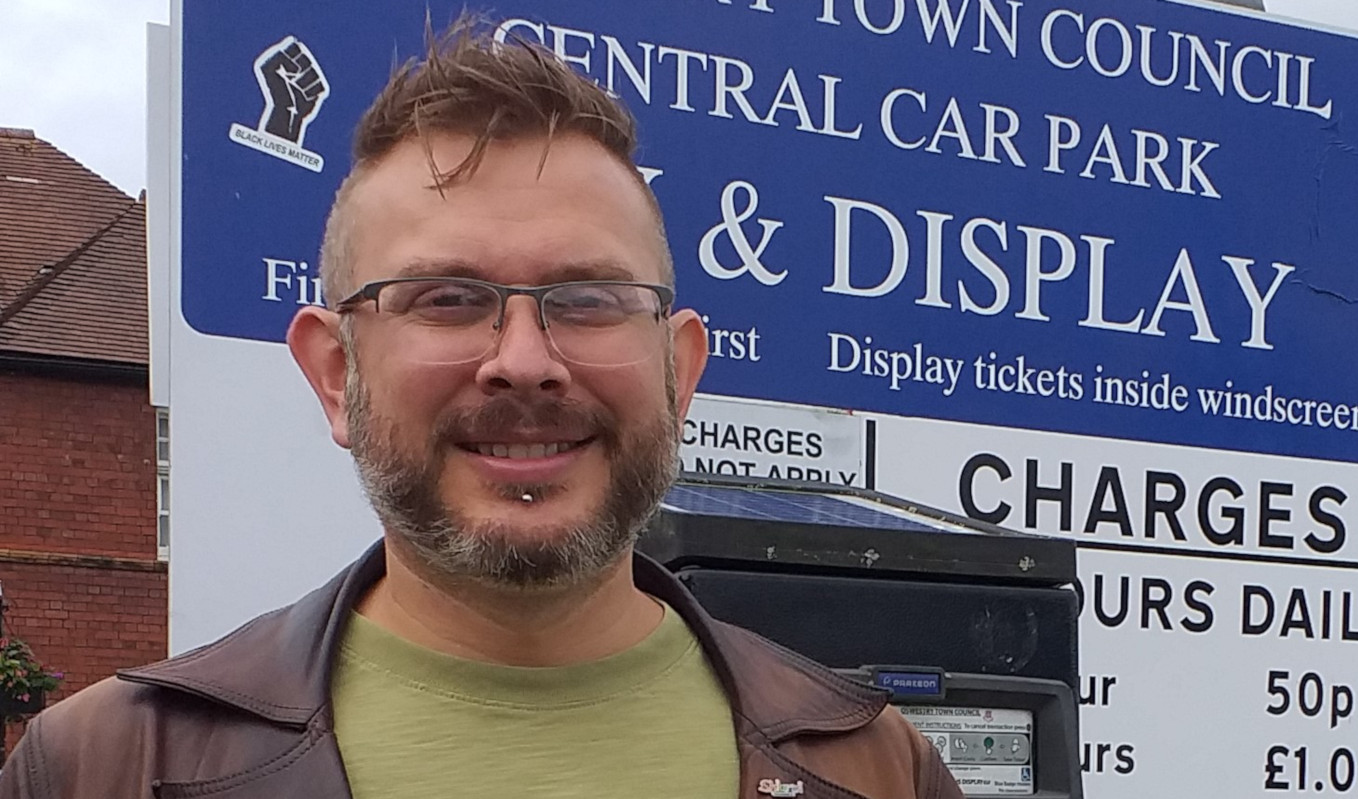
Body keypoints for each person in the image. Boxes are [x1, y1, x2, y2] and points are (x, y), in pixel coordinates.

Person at [0, 17, 962, 799]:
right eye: (447, 298)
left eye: (588, 297)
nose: (525, 363)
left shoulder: (876, 767)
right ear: (336, 372)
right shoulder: (99, 768)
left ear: (679, 370)